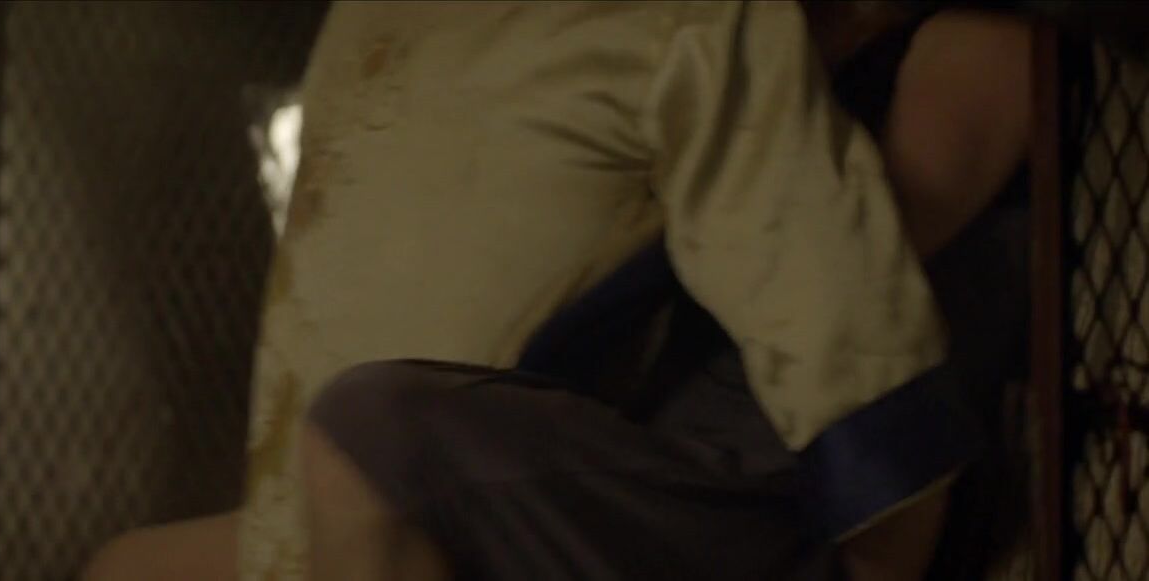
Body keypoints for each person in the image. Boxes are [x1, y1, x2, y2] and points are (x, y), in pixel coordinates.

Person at [82, 3, 1037, 580]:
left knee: (369, 437)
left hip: (745, 492)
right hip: (571, 459)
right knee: (132, 570)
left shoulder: (946, 47)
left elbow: (855, 341)